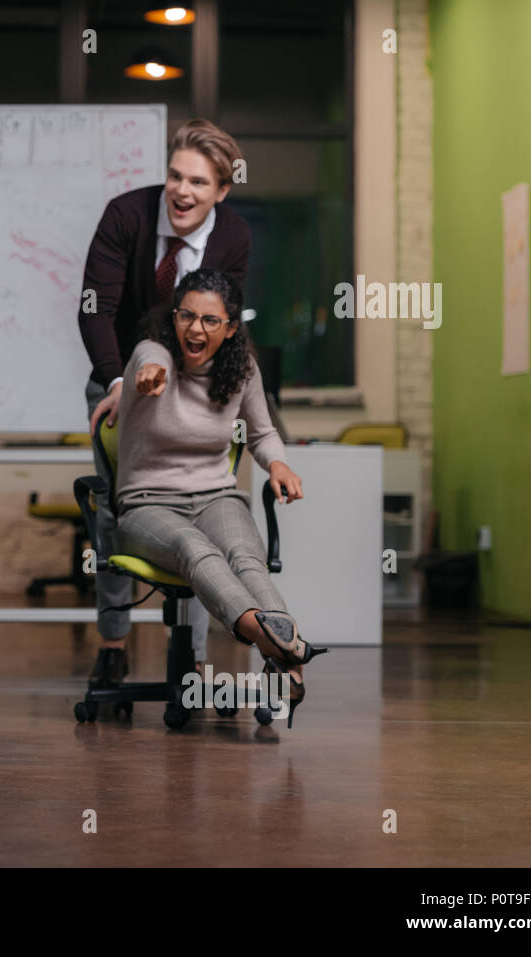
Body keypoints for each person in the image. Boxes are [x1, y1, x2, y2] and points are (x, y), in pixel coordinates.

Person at [77, 119, 251, 689]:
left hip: (195, 386)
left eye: (199, 183)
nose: (182, 191)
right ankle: (113, 643)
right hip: (118, 378)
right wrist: (116, 379)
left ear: (222, 191)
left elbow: (224, 326)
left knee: (201, 506)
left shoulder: (233, 238)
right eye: (176, 176)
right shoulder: (125, 214)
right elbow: (94, 309)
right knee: (112, 507)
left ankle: (193, 659)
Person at [113, 269, 324, 727]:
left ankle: (283, 648)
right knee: (195, 548)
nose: (195, 328)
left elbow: (263, 432)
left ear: (230, 327)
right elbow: (150, 364)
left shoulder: (241, 368)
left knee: (246, 556)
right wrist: (148, 377)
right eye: (186, 316)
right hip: (146, 504)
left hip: (214, 496)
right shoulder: (152, 355)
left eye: (211, 321)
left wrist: (280, 465)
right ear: (173, 318)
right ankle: (277, 646)